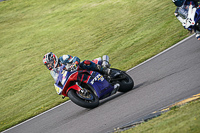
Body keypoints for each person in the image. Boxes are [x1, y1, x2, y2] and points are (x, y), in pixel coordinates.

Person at [43, 52, 111, 75]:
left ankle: (103, 69)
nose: (49, 65)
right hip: (73, 76)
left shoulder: (62, 58)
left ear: (54, 59)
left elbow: (75, 58)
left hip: (78, 69)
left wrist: (75, 63)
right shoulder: (55, 71)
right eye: (47, 65)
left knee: (85, 63)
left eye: (49, 63)